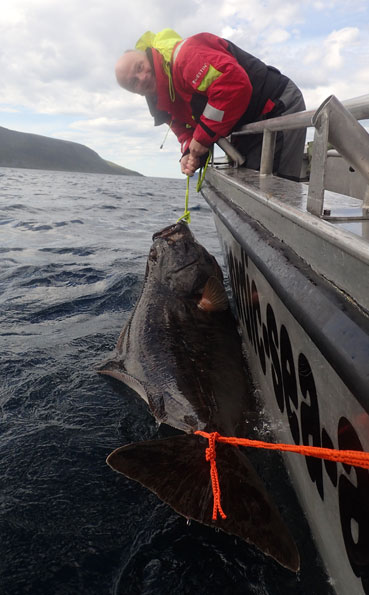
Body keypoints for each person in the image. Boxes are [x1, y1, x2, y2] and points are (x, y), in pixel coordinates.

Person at [115, 29, 306, 180]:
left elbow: (233, 84)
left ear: (148, 56)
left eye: (139, 67)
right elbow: (185, 133)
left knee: (278, 188)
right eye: (134, 83)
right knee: (253, 190)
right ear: (136, 93)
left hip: (277, 108)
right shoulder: (165, 104)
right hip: (248, 127)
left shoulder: (185, 57)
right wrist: (189, 153)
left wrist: (203, 137)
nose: (143, 77)